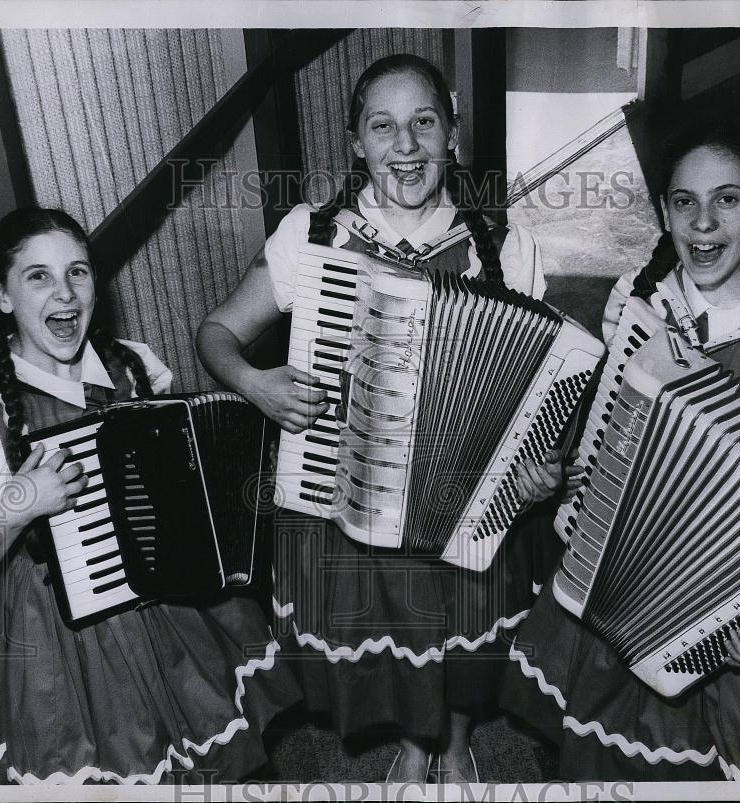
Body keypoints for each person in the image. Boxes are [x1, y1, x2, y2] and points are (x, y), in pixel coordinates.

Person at [197, 54, 565, 782]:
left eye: (424, 122)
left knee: (460, 629)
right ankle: (415, 744)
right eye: (383, 126)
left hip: (461, 496)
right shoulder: (313, 235)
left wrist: (538, 460)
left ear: (452, 133)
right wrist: (256, 385)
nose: (406, 145)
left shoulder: (503, 244)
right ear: (356, 143)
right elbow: (217, 333)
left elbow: (540, 386)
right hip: (346, 485)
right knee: (395, 632)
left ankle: (453, 744)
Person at [501, 122, 740, 782]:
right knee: (600, 757)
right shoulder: (637, 300)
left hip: (731, 606)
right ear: (665, 212)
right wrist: (560, 475)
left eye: (728, 199)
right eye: (684, 201)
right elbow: (607, 434)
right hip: (626, 569)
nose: (703, 222)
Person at [0, 208, 301, 784]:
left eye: (78, 271)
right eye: (38, 276)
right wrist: (20, 505)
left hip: (171, 597)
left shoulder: (131, 365)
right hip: (63, 638)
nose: (65, 293)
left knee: (209, 751)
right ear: (0, 294)